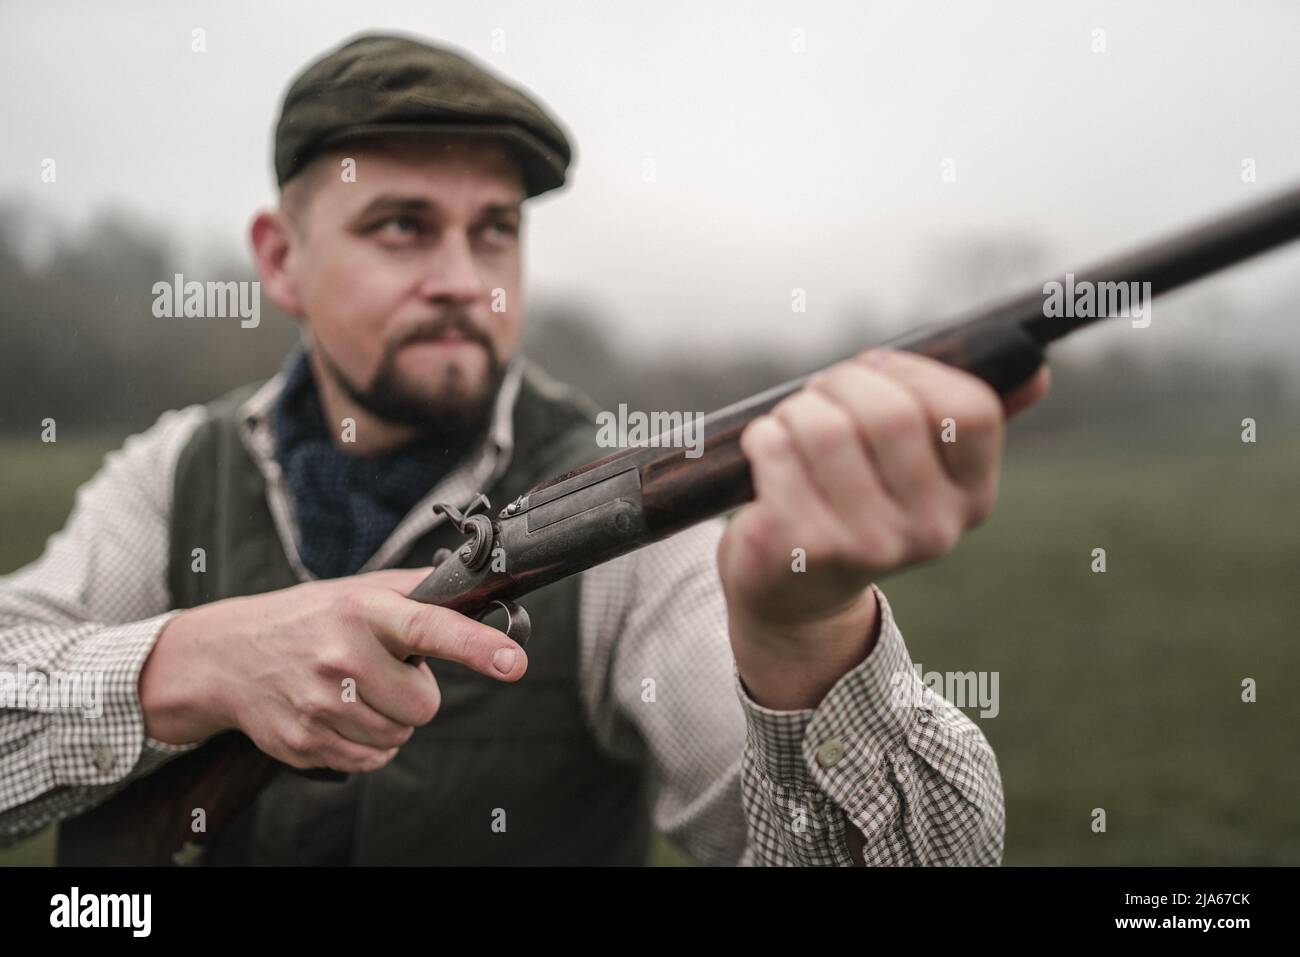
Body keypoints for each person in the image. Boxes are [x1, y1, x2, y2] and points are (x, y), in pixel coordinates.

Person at [0, 33, 1048, 865]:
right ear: (280, 258)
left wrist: (807, 635)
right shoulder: (175, 470)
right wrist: (195, 662)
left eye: (494, 229)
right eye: (402, 226)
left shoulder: (628, 512)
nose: (463, 276)